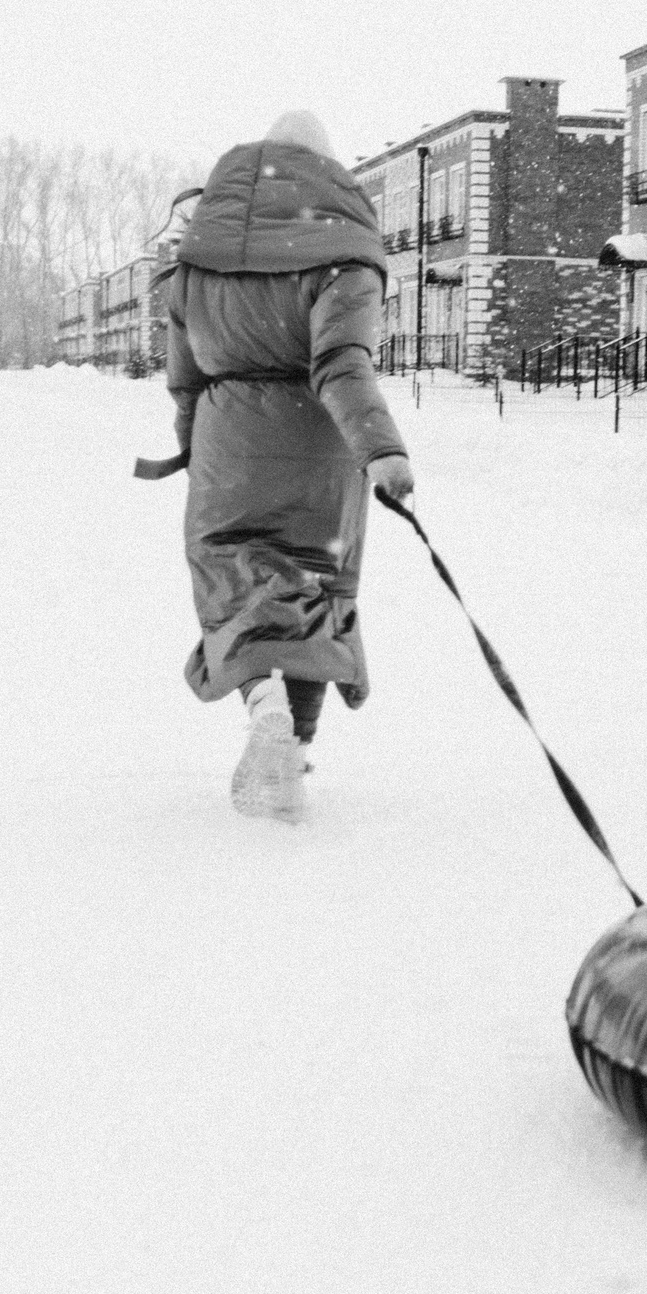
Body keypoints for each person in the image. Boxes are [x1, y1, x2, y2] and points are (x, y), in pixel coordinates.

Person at [162, 112, 413, 821]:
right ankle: (294, 750)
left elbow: (183, 379)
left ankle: (263, 701)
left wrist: (193, 445)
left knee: (236, 584)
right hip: (320, 449)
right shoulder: (343, 253)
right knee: (313, 586)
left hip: (226, 443)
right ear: (327, 172)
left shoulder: (198, 260)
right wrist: (382, 449)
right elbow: (342, 363)